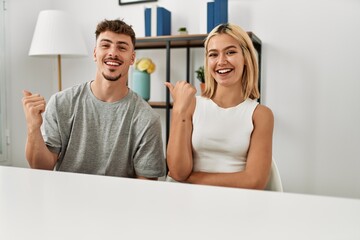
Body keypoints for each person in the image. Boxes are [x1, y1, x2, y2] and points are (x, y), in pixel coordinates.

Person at [22, 19, 166, 180]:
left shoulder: (147, 118)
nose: (113, 52)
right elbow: (41, 167)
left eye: (122, 47)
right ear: (95, 53)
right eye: (105, 45)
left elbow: (146, 187)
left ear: (132, 58)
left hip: (119, 203)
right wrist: (33, 128)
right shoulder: (61, 103)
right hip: (65, 200)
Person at [164, 23, 274, 189]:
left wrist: (192, 179)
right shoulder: (190, 105)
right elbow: (178, 172)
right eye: (213, 54)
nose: (221, 61)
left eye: (230, 52)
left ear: (245, 58)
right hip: (189, 201)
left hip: (238, 203)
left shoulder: (260, 114)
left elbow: (254, 181)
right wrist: (179, 110)